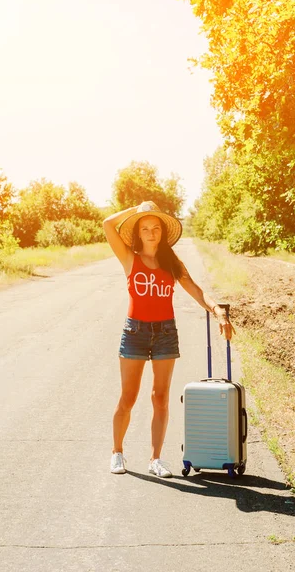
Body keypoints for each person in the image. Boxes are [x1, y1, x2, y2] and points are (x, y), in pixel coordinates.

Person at [103, 201, 235, 478]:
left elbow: (197, 291)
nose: (151, 233)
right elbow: (107, 225)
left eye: (155, 228)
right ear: (138, 233)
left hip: (165, 333)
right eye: (145, 228)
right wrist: (135, 211)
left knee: (160, 397)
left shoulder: (172, 263)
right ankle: (117, 453)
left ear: (162, 232)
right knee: (128, 397)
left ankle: (156, 459)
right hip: (135, 333)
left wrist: (218, 311)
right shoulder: (130, 258)